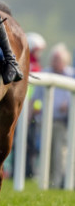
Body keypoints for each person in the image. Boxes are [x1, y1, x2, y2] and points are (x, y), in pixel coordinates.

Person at [33, 43, 74, 188]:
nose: (55, 62)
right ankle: (45, 183)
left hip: (62, 122)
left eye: (58, 59)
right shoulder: (46, 73)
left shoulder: (71, 75)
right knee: (45, 153)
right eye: (54, 59)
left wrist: (68, 105)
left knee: (58, 154)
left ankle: (56, 184)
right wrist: (35, 108)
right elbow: (36, 98)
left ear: (65, 61)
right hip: (44, 121)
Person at [25, 32, 46, 177]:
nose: (40, 54)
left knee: (29, 144)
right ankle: (26, 172)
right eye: (38, 50)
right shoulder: (31, 66)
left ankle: (28, 171)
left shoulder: (35, 65)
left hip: (32, 112)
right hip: (25, 111)